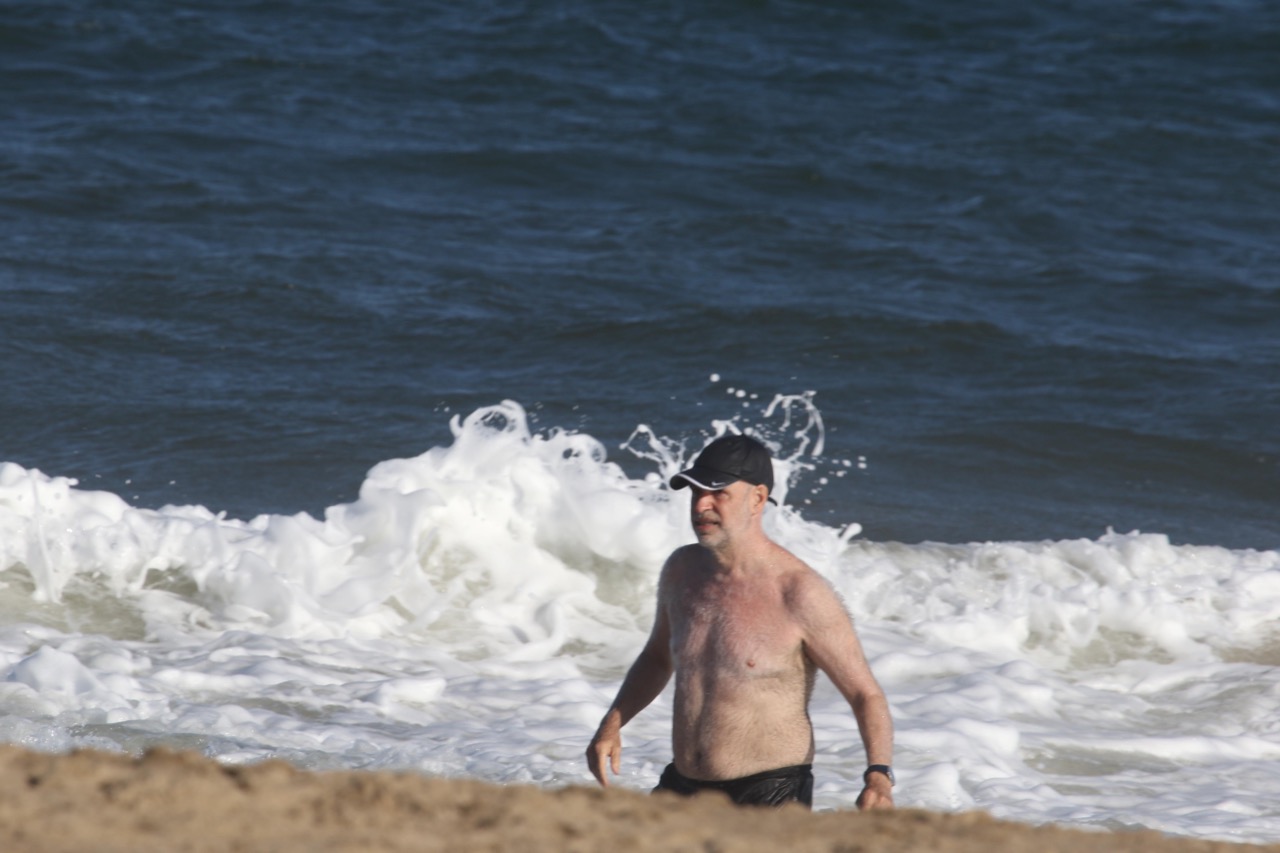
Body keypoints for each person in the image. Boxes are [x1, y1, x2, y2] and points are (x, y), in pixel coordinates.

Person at [586, 433, 895, 810]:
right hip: (682, 783)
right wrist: (613, 723)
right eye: (695, 492)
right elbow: (657, 658)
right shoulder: (682, 571)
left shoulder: (800, 593)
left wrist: (878, 776)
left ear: (757, 498)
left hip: (770, 792)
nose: (701, 505)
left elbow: (865, 694)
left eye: (718, 493)